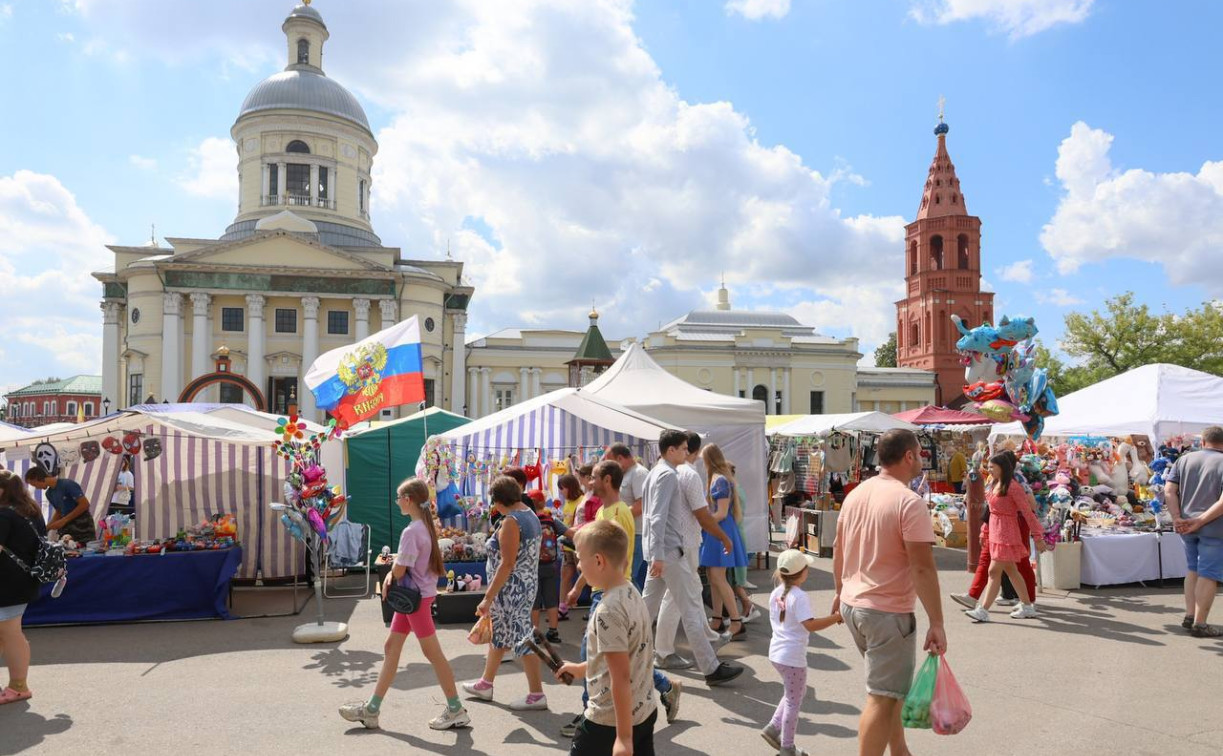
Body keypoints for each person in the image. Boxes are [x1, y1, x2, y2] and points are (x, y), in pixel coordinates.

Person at [833, 428, 946, 756]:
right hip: (885, 613)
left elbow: (839, 547)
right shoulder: (909, 502)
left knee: (890, 689)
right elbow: (922, 568)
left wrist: (840, 592)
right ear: (908, 456)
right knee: (881, 698)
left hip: (855, 606)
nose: (922, 460)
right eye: (920, 454)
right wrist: (936, 622)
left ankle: (899, 751)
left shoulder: (857, 493)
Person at [561, 460, 681, 738]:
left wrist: (583, 586)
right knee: (618, 654)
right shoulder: (605, 510)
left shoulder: (618, 513)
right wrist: (580, 585)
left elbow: (611, 557)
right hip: (605, 589)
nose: (589, 482)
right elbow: (595, 557)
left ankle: (590, 714)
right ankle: (665, 686)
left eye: (594, 477)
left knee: (595, 654)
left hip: (610, 592)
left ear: (607, 480)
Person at [340, 478, 469, 730]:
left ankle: (455, 708)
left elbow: (400, 570)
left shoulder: (411, 531)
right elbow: (406, 564)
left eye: (399, 497)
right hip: (417, 597)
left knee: (433, 654)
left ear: (408, 500)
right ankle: (372, 709)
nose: (397, 501)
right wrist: (394, 571)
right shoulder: (424, 528)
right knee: (392, 646)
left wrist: (390, 574)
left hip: (414, 599)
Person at [640, 429, 743, 687]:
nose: (688, 453)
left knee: (646, 610)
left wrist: (654, 554)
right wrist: (659, 555)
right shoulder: (666, 475)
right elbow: (657, 517)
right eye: (684, 448)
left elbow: (652, 516)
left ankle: (626, 654)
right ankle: (710, 667)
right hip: (670, 553)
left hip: (664, 553)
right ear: (671, 450)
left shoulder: (657, 472)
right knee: (690, 610)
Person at [556, 520, 657, 756]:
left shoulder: (608, 611)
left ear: (599, 561)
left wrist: (623, 738)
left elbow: (619, 676)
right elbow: (626, 656)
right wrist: (581, 669)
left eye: (580, 558)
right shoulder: (630, 590)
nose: (578, 566)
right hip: (643, 710)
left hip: (608, 721)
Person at [462, 475, 548, 710]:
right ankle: (485, 683)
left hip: (511, 590)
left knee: (522, 639)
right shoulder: (529, 514)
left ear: (498, 501)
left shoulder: (512, 521)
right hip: (522, 586)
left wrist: (487, 597)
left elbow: (507, 564)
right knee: (500, 633)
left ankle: (537, 694)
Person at [654, 431, 732, 668]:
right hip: (683, 543)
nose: (688, 452)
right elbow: (702, 514)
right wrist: (723, 537)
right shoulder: (686, 474)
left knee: (684, 594)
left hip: (673, 544)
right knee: (679, 599)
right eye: (684, 448)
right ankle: (666, 652)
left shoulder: (662, 472)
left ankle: (703, 640)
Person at [761, 549, 843, 756]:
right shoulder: (799, 596)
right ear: (802, 572)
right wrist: (835, 617)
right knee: (793, 700)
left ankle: (773, 727)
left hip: (777, 653)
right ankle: (787, 747)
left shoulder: (776, 592)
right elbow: (810, 625)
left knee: (794, 694)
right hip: (792, 657)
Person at [964, 452, 1047, 623]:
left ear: (1002, 467)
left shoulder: (1013, 487)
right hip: (996, 530)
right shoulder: (994, 483)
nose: (989, 470)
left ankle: (983, 609)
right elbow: (990, 512)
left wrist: (1038, 536)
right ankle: (1027, 606)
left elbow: (1027, 512)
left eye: (992, 467)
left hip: (1007, 532)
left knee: (994, 571)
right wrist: (985, 531)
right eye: (988, 467)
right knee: (1011, 570)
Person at [1165, 425, 1223, 638]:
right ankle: (1200, 623)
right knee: (1208, 573)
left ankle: (1190, 616)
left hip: (1186, 525)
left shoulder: (1184, 460)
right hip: (1215, 527)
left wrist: (1176, 517)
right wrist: (1201, 520)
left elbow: (1169, 490)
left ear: (1203, 442)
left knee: (1193, 569)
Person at [0, 469, 45, 705]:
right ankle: (17, 684)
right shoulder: (32, 511)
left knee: (10, 633)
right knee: (8, 633)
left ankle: (18, 686)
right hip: (23, 580)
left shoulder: (4, 515)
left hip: (6, 584)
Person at [699, 444, 749, 641]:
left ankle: (736, 621)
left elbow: (720, 512)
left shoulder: (719, 481)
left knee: (718, 577)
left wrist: (702, 521)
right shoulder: (719, 479)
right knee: (714, 577)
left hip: (719, 530)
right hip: (717, 529)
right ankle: (718, 618)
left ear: (708, 460)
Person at [608, 443, 649, 591]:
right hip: (628, 533)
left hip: (636, 533)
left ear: (620, 458)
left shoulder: (639, 473)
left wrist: (618, 518)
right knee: (628, 577)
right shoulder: (628, 474)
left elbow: (641, 505)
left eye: (611, 461)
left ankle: (637, 611)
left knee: (629, 577)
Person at [529, 489, 569, 644]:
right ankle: (553, 631)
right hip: (551, 565)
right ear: (543, 502)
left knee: (535, 602)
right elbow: (570, 532)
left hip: (533, 567)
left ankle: (535, 632)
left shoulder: (528, 520)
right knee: (552, 600)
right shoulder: (551, 520)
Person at [25, 465, 95, 545]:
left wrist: (64, 520)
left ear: (37, 478)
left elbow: (85, 504)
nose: (37, 488)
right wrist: (47, 527)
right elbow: (59, 511)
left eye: (35, 485)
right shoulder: (49, 493)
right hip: (67, 529)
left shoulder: (67, 485)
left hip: (82, 525)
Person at [558, 473, 584, 622]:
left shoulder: (582, 501)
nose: (561, 492)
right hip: (567, 545)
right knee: (565, 576)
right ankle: (562, 609)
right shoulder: (567, 502)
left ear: (569, 487)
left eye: (562, 488)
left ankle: (595, 606)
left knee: (586, 576)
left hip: (578, 545)